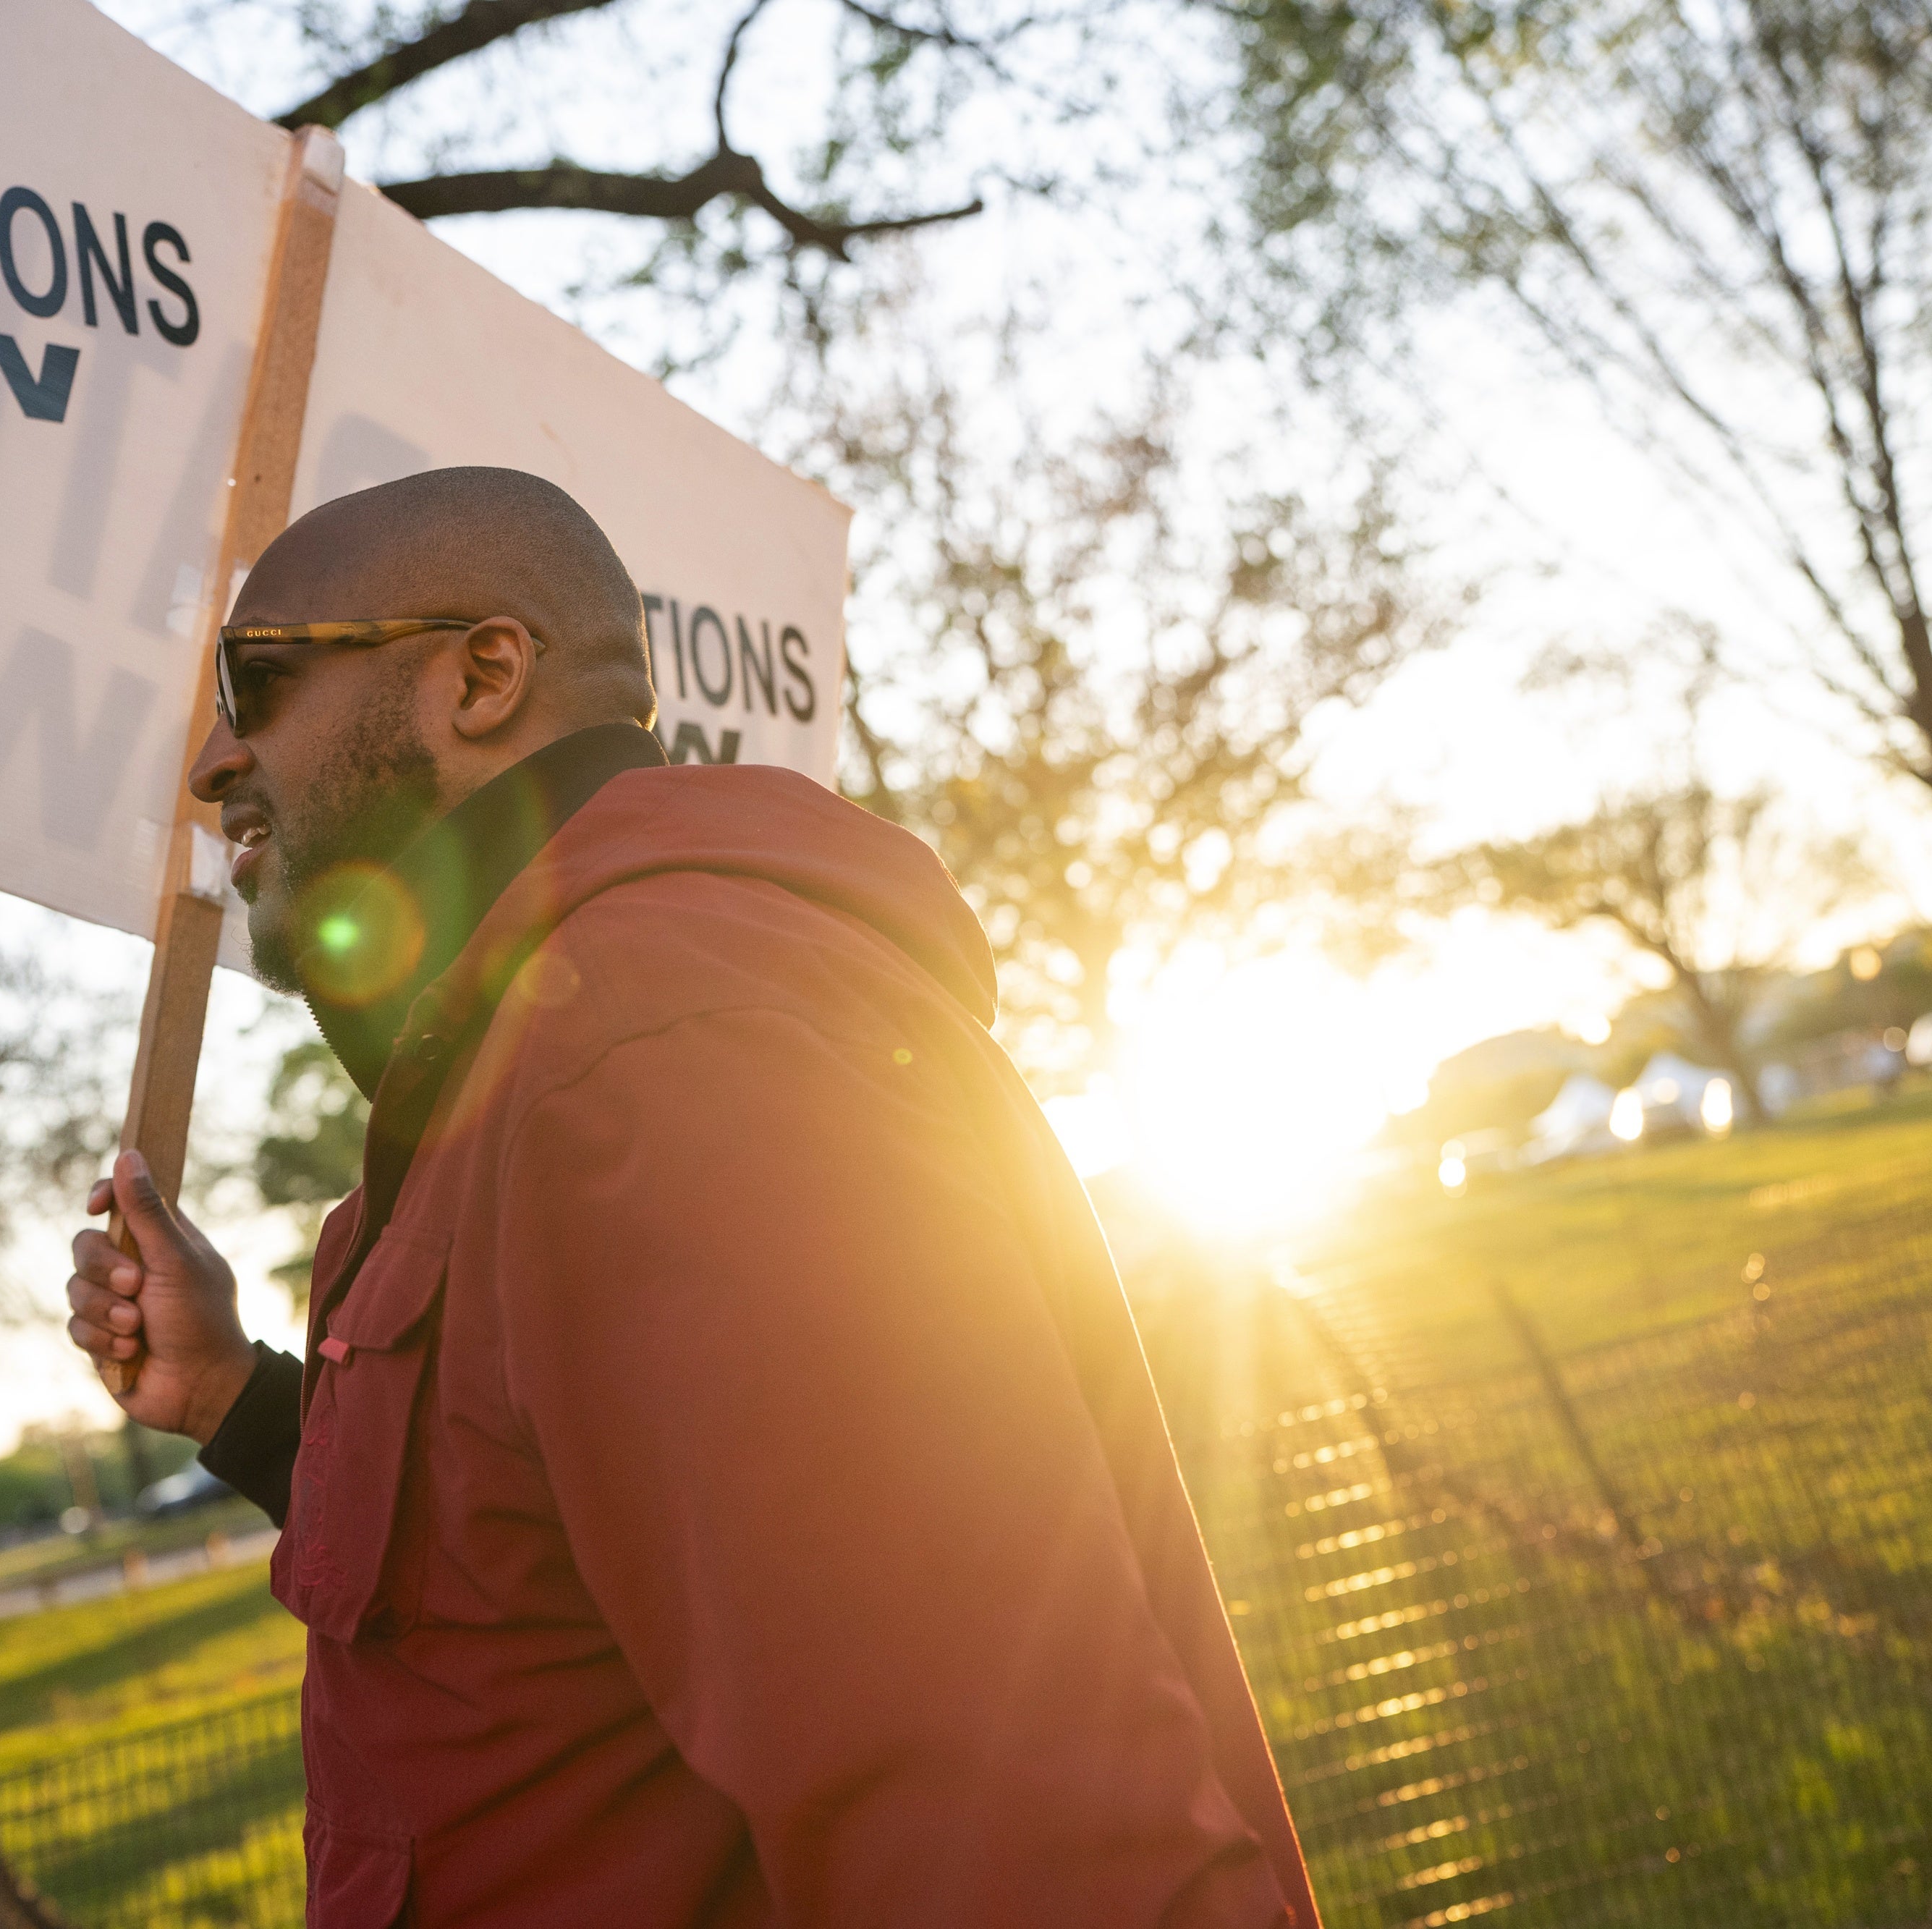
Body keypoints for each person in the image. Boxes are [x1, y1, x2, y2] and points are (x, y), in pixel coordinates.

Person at [64, 467, 1319, 1927]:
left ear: (482, 675)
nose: (211, 758)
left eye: (256, 680)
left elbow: (988, 1788)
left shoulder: (649, 1051)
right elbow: (516, 1581)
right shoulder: (523, 1068)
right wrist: (234, 1399)